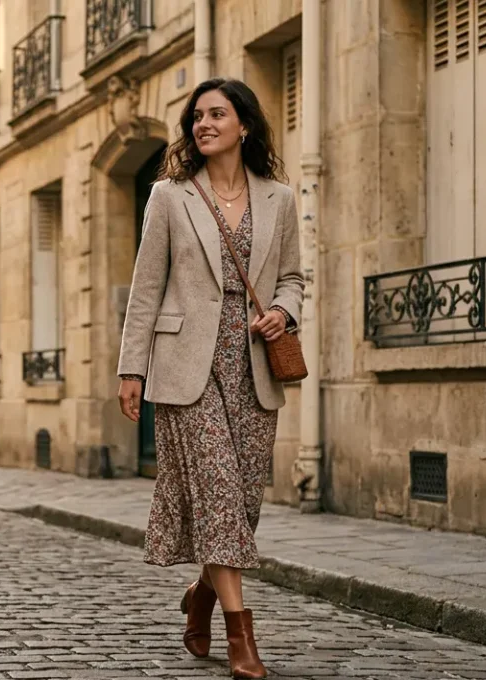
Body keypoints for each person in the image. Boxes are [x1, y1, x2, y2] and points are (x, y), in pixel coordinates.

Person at [115, 78, 304, 680]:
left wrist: (283, 311)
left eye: (217, 114)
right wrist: (131, 368)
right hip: (184, 365)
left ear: (243, 125)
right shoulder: (169, 196)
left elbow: (294, 277)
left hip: (250, 364)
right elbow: (147, 288)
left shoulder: (280, 197)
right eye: (197, 116)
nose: (203, 124)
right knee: (219, 495)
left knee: (243, 506)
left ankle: (201, 593)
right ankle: (241, 636)